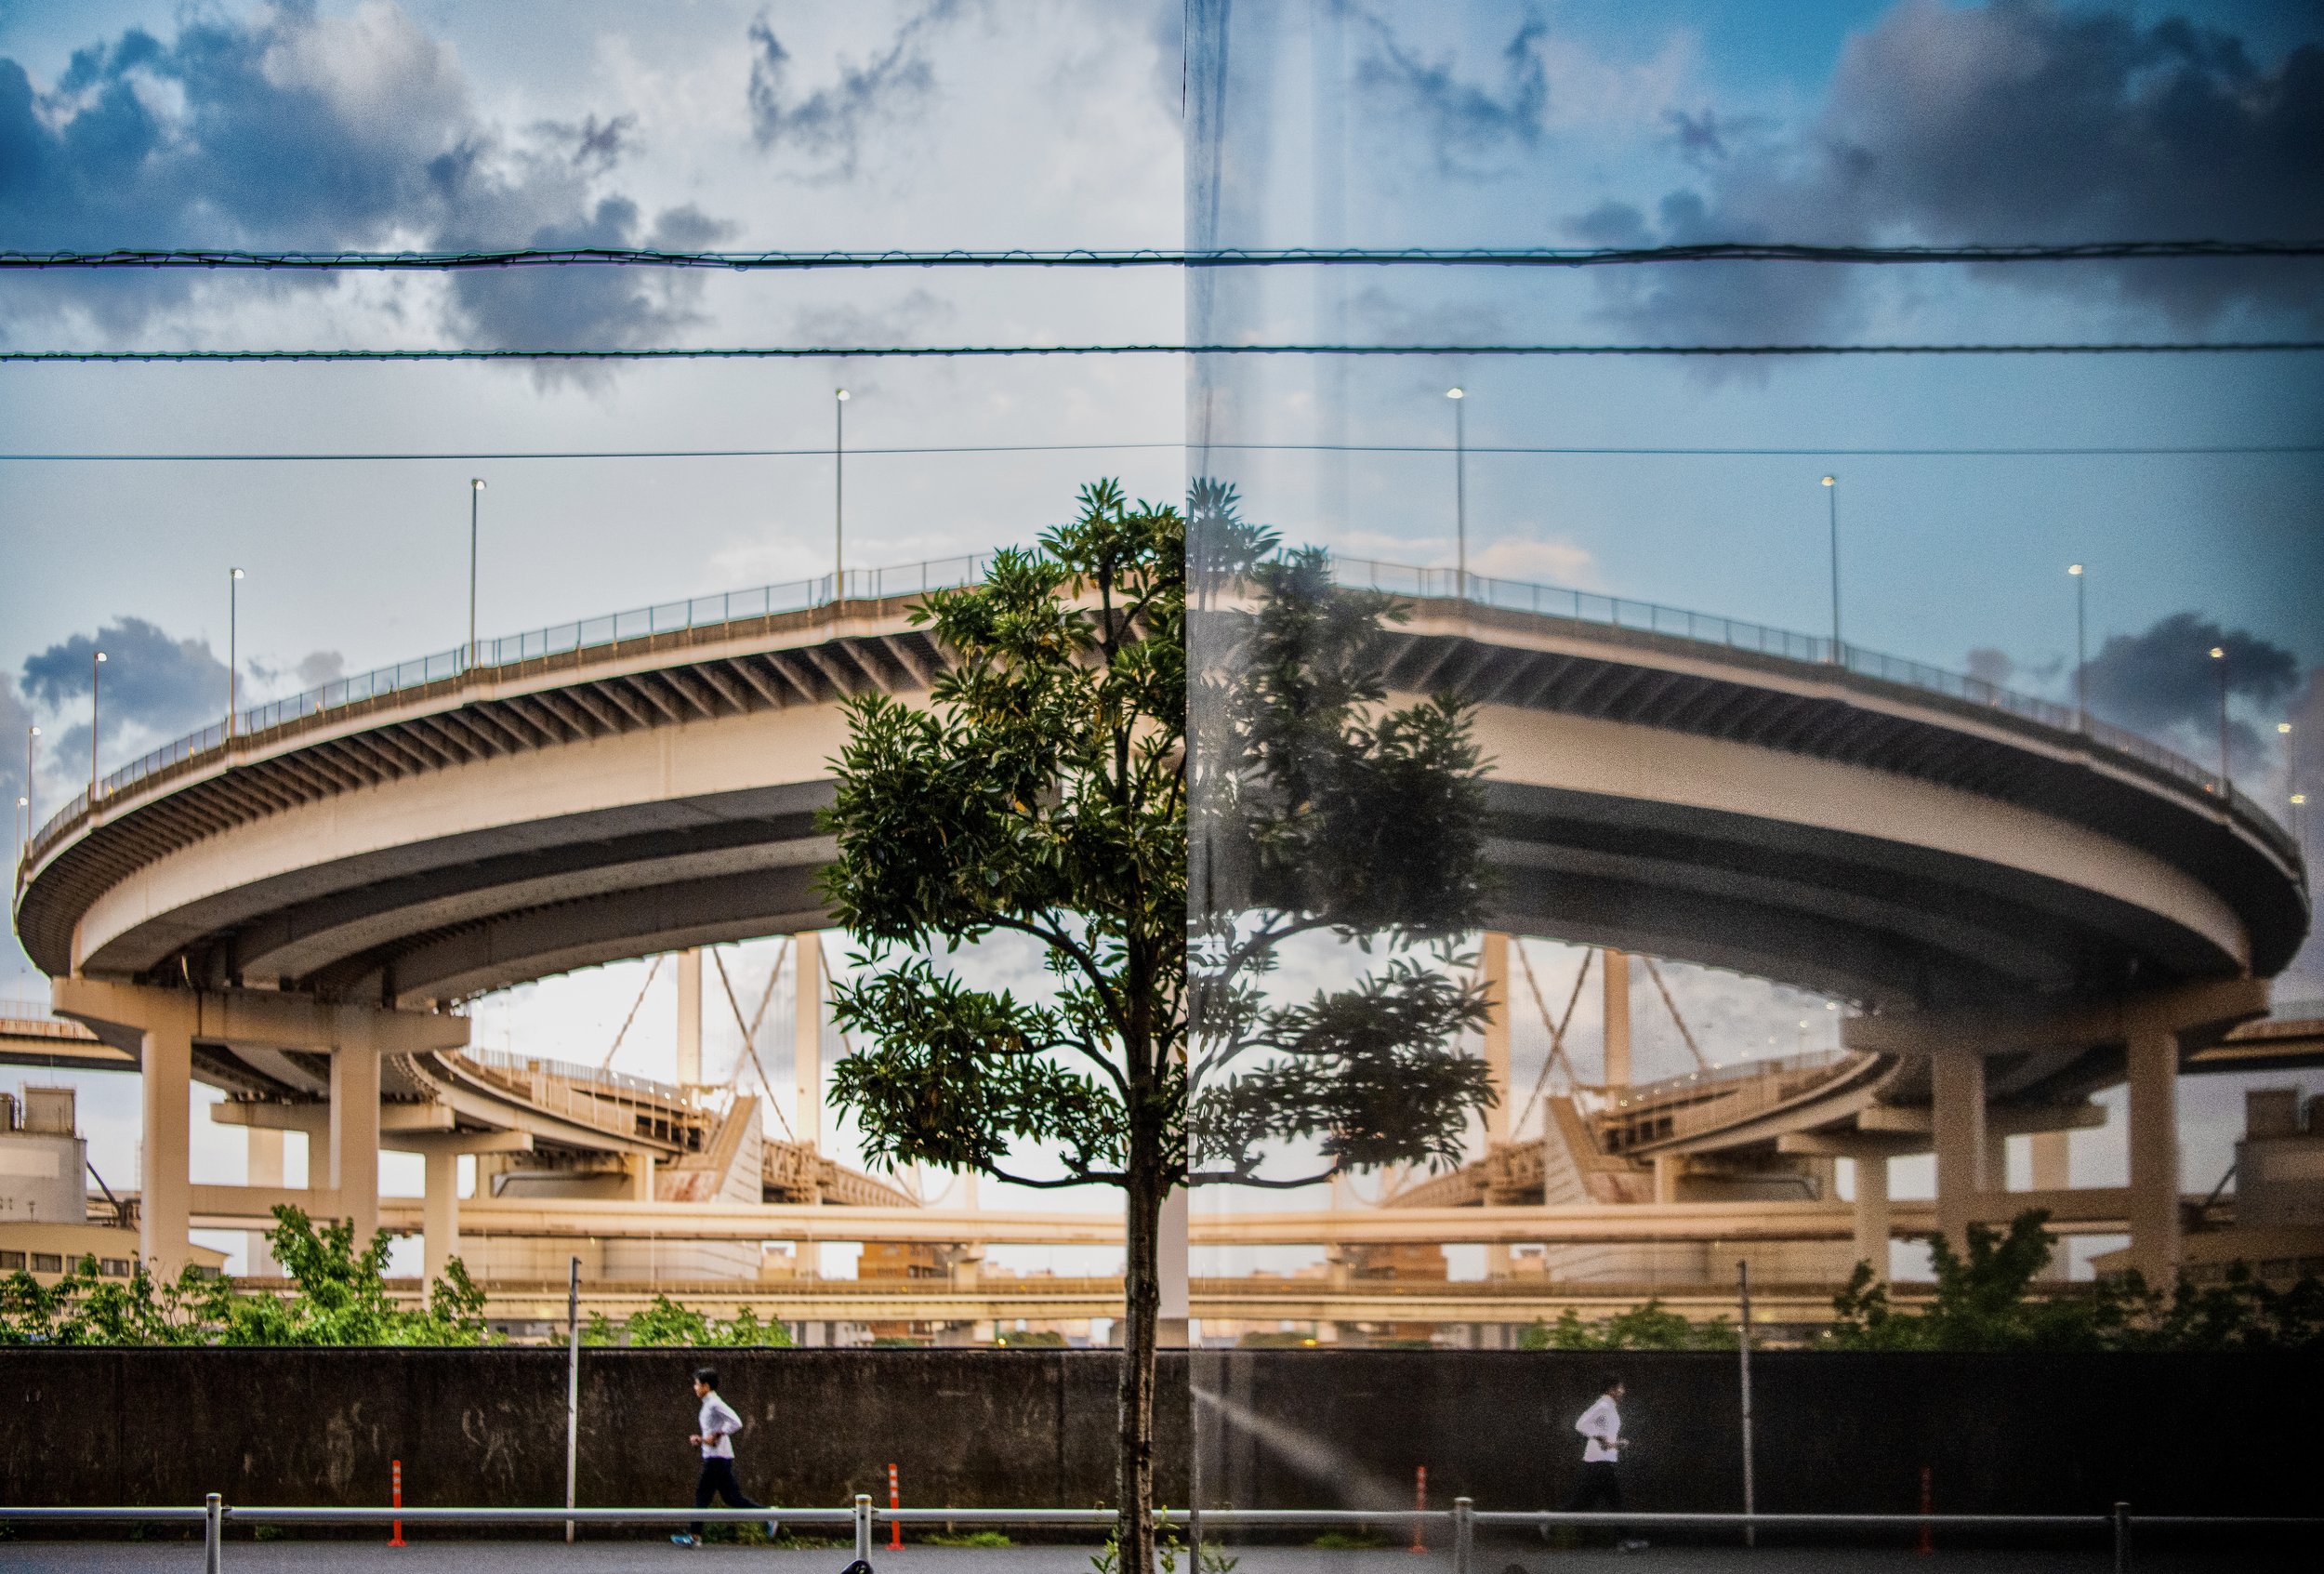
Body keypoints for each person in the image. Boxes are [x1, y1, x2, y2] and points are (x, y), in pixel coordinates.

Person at [671, 1367, 775, 1547]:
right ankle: (769, 1514)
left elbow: (736, 1422)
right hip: (716, 1457)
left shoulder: (714, 1403)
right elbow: (713, 1433)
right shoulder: (708, 1404)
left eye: (696, 1384)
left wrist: (717, 1434)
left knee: (702, 1496)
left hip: (717, 1459)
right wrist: (702, 1439)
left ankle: (694, 1536)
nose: (694, 1388)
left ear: (706, 1386)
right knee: (731, 1498)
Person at [1561, 1374, 1647, 1553]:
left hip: (1600, 1459)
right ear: (1611, 1389)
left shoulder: (1609, 1407)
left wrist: (1615, 1443)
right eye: (1620, 1388)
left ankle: (1549, 1521)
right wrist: (1601, 1439)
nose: (1623, 1391)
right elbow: (1581, 1424)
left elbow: (1601, 1432)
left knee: (1583, 1501)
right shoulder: (1603, 1405)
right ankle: (1626, 1540)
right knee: (1615, 1502)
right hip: (1599, 1461)